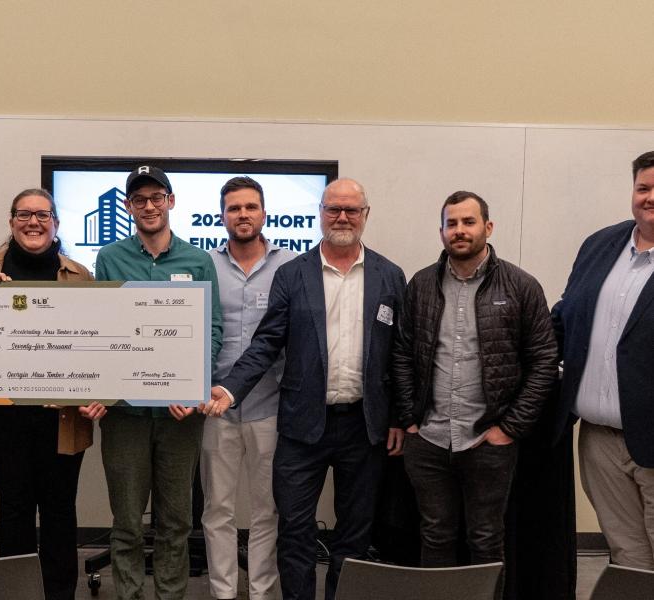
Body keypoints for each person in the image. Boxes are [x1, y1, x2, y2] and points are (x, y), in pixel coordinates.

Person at [203, 179, 406, 600]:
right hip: (301, 426)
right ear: (320, 213)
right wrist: (230, 388)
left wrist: (402, 417)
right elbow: (267, 342)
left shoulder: (389, 275)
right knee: (294, 531)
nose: (343, 218)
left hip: (364, 428)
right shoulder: (293, 274)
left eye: (352, 210)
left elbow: (399, 355)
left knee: (353, 533)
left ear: (366, 215)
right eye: (334, 209)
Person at [0, 188, 105, 600]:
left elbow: (97, 338)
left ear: (56, 224)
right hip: (3, 417)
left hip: (62, 419)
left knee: (59, 511)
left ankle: (59, 594)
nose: (34, 222)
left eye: (42, 215)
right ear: (11, 221)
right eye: (24, 215)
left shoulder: (79, 274)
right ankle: (14, 592)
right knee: (13, 511)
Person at [390, 191, 558, 567]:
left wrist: (509, 428)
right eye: (452, 224)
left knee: (485, 539)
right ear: (442, 232)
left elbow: (544, 361)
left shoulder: (521, 286)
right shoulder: (421, 285)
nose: (460, 231)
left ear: (488, 227)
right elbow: (401, 353)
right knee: (434, 535)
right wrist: (411, 421)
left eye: (469, 222)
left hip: (488, 441)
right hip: (429, 440)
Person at [93, 165, 223, 600]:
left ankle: (171, 595)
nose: (148, 206)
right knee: (127, 522)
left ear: (171, 201)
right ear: (129, 207)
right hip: (125, 415)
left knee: (176, 522)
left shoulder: (198, 260)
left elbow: (213, 329)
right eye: (139, 199)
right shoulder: (110, 257)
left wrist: (191, 386)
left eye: (156, 197)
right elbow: (102, 328)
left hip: (179, 417)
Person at [551, 150, 654, 570]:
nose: (649, 197)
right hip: (598, 441)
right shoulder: (600, 245)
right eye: (643, 187)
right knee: (627, 555)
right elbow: (565, 316)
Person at [202, 176, 295, 600]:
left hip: (271, 407)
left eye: (250, 207)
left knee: (266, 511)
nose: (243, 215)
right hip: (213, 406)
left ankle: (261, 592)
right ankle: (223, 593)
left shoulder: (292, 266)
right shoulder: (205, 265)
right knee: (217, 510)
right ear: (222, 215)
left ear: (263, 212)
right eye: (234, 208)